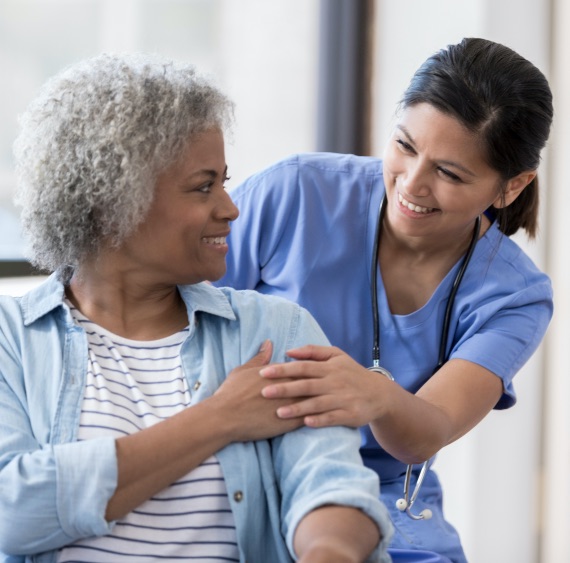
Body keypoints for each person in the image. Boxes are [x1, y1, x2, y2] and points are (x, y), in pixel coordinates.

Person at [0, 53, 394, 563]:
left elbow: (330, 484)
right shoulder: (11, 339)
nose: (230, 208)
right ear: (111, 205)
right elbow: (12, 513)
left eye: (224, 182)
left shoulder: (273, 329)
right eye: (203, 186)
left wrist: (330, 552)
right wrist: (220, 418)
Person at [214, 37, 554, 563]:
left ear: (511, 187)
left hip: (384, 494)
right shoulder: (298, 192)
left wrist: (376, 395)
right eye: (404, 146)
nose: (411, 184)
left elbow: (426, 433)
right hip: (239, 457)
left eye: (449, 173)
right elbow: (175, 313)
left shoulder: (515, 296)